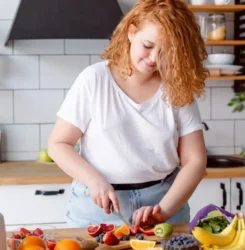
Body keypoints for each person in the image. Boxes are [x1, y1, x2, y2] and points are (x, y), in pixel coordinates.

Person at [48, 0, 208, 228]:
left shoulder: (177, 86)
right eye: (149, 45)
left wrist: (163, 211)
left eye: (166, 51)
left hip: (164, 202)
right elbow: (58, 143)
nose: (154, 58)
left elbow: (196, 161)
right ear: (132, 32)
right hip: (99, 205)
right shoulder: (94, 79)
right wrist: (94, 180)